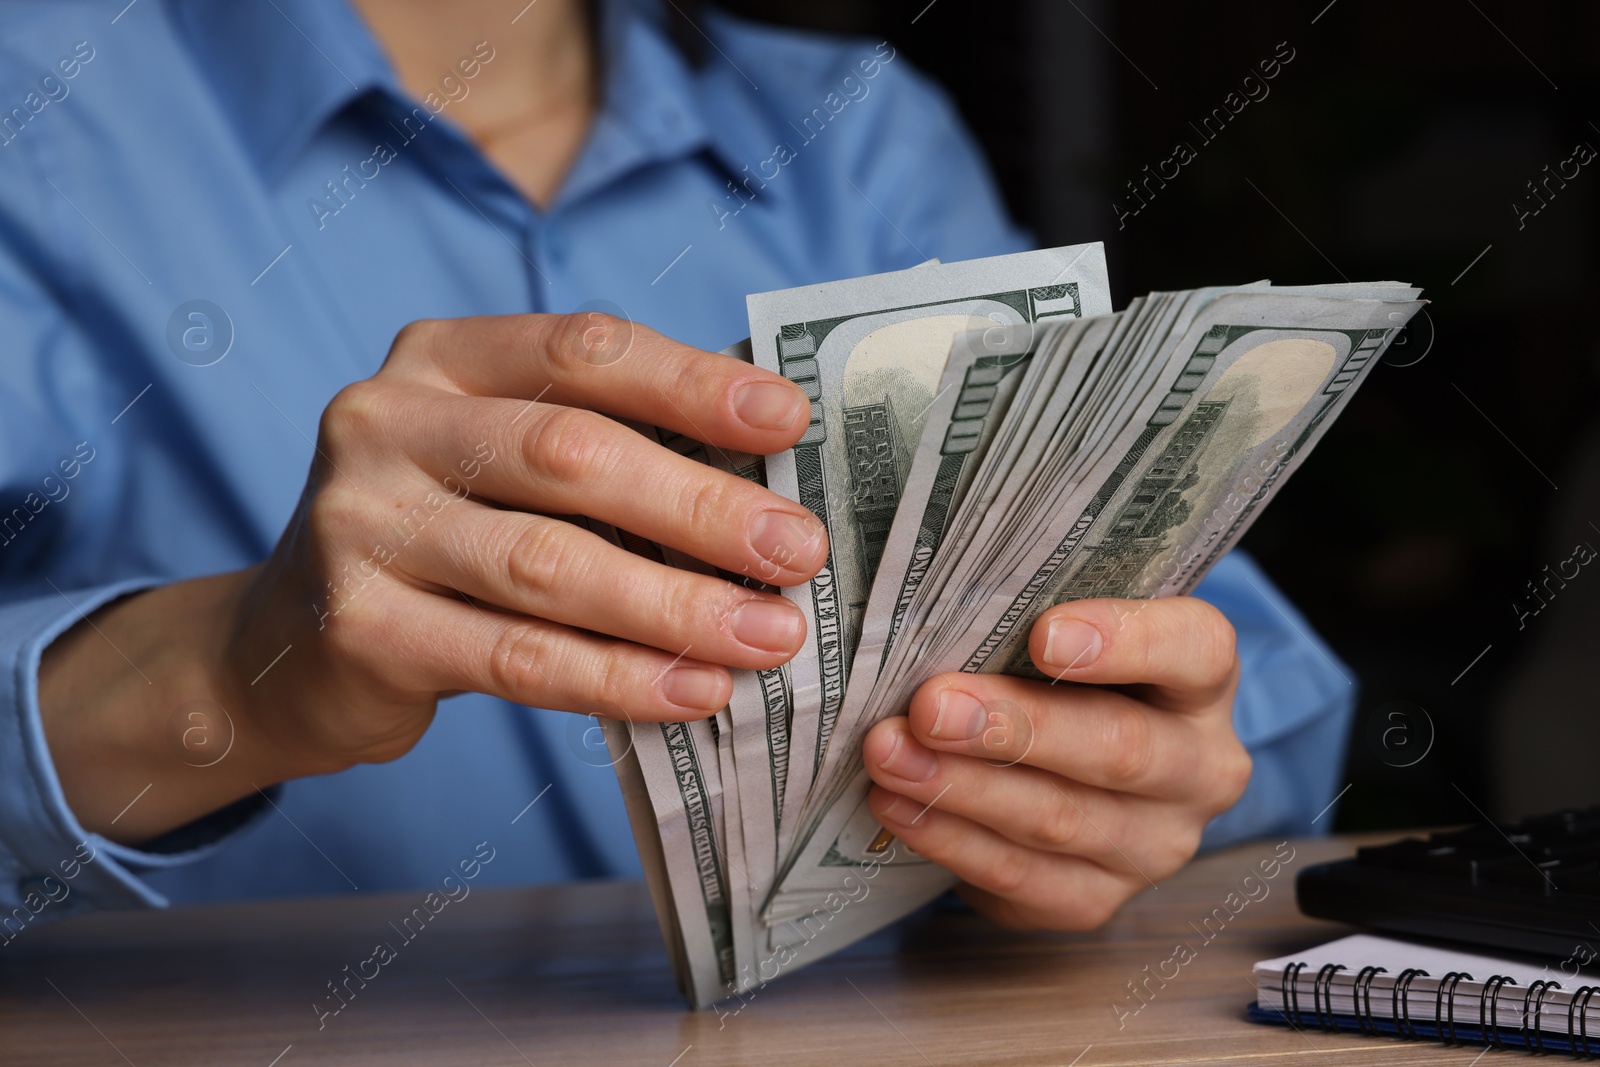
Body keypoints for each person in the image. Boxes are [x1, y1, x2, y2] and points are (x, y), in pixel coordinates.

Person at [0, 0, 1350, 936]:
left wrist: (1090, 800)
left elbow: (1256, 712)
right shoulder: (37, 119)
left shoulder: (860, 133)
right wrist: (225, 674)